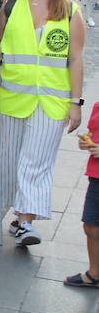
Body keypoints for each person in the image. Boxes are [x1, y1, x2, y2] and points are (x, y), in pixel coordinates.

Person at [0, 0, 85, 246]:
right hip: (13, 96)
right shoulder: (11, 6)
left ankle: (27, 222)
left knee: (35, 161)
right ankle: (19, 215)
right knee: (12, 161)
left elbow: (76, 59)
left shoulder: (70, 12)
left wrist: (76, 103)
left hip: (51, 101)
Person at [66, 102, 99, 288]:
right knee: (91, 226)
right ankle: (94, 274)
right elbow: (94, 133)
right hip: (96, 175)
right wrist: (86, 140)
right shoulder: (97, 106)